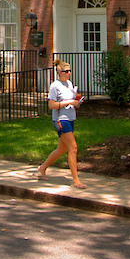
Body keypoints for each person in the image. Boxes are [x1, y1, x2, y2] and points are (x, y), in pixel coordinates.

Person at [37, 59, 85, 188]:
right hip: (60, 120)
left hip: (70, 118)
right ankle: (76, 180)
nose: (69, 73)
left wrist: (76, 101)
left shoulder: (68, 83)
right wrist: (69, 102)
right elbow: (51, 105)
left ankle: (42, 168)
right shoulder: (55, 86)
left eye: (70, 71)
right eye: (66, 71)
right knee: (73, 147)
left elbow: (69, 100)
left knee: (62, 149)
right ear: (59, 72)